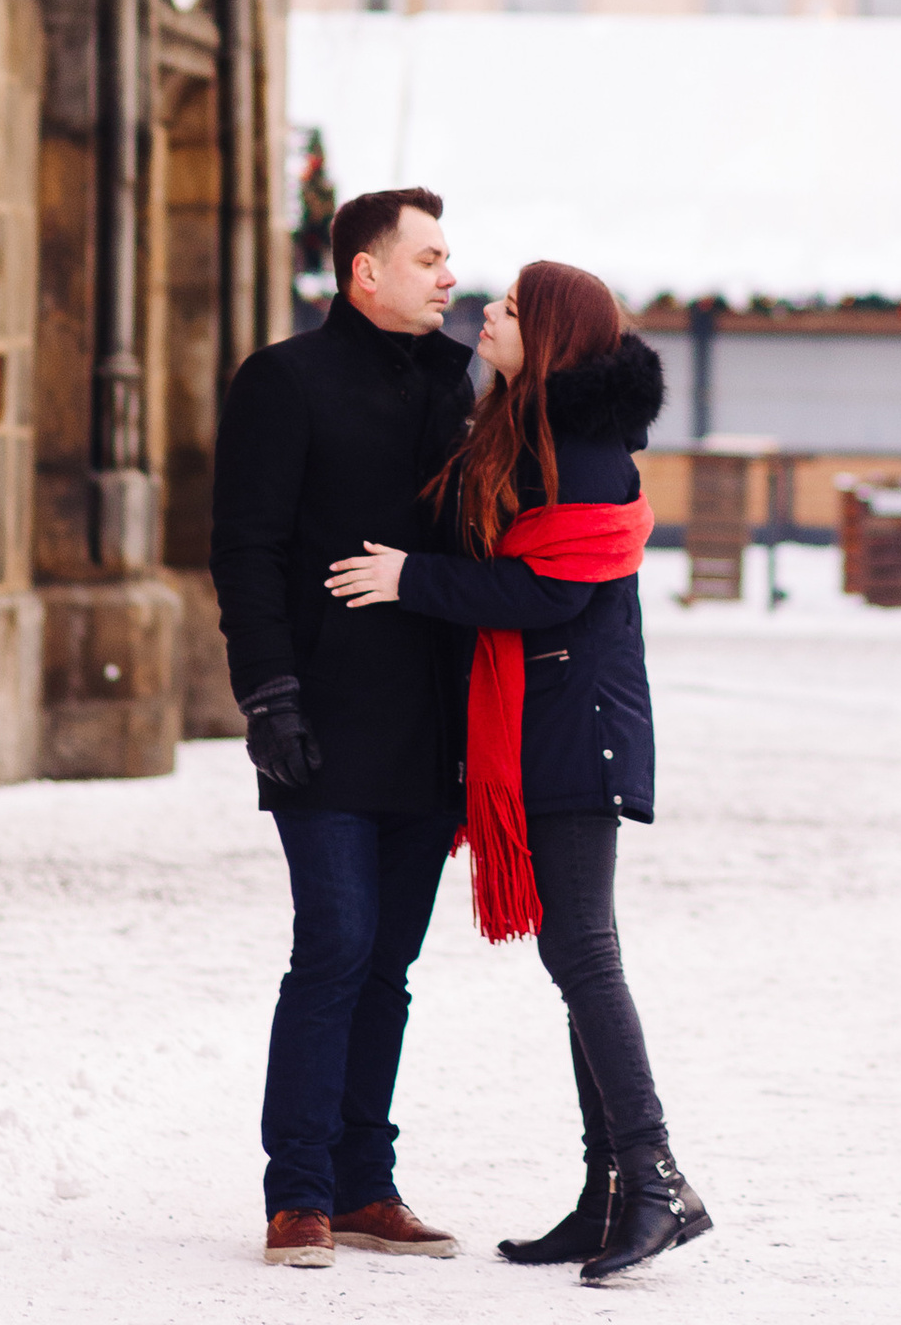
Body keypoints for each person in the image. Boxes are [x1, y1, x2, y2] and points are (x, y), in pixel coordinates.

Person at [329, 262, 710, 1287]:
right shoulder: (521, 427)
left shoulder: (583, 450)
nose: (485, 315)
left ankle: (657, 1177)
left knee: (584, 955)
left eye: (505, 309)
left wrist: (412, 579)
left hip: (574, 732)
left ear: (545, 334)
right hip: (542, 728)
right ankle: (609, 1195)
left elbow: (542, 589)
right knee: (572, 959)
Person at [211, 184, 476, 1271]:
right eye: (428, 258)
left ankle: (368, 1185)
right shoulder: (283, 381)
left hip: (431, 724)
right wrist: (266, 693)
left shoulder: (458, 387)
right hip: (318, 715)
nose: (448, 275)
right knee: (334, 944)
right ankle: (300, 1194)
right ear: (364, 272)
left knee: (390, 963)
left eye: (448, 256)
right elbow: (246, 547)